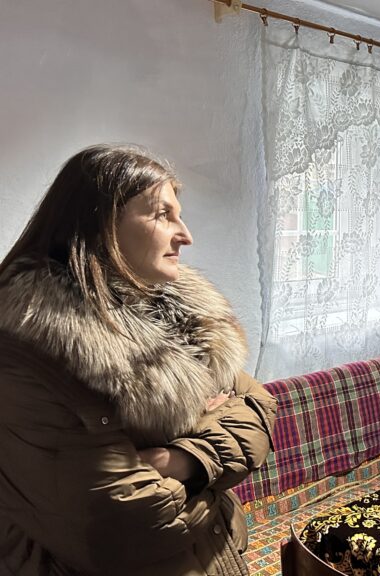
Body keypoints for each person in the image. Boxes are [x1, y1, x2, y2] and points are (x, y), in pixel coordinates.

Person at [0, 145, 277, 575]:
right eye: (162, 215)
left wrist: (182, 460)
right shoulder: (28, 353)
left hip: (211, 554)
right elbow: (125, 521)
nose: (185, 235)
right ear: (100, 223)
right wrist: (214, 450)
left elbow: (260, 405)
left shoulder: (176, 313)